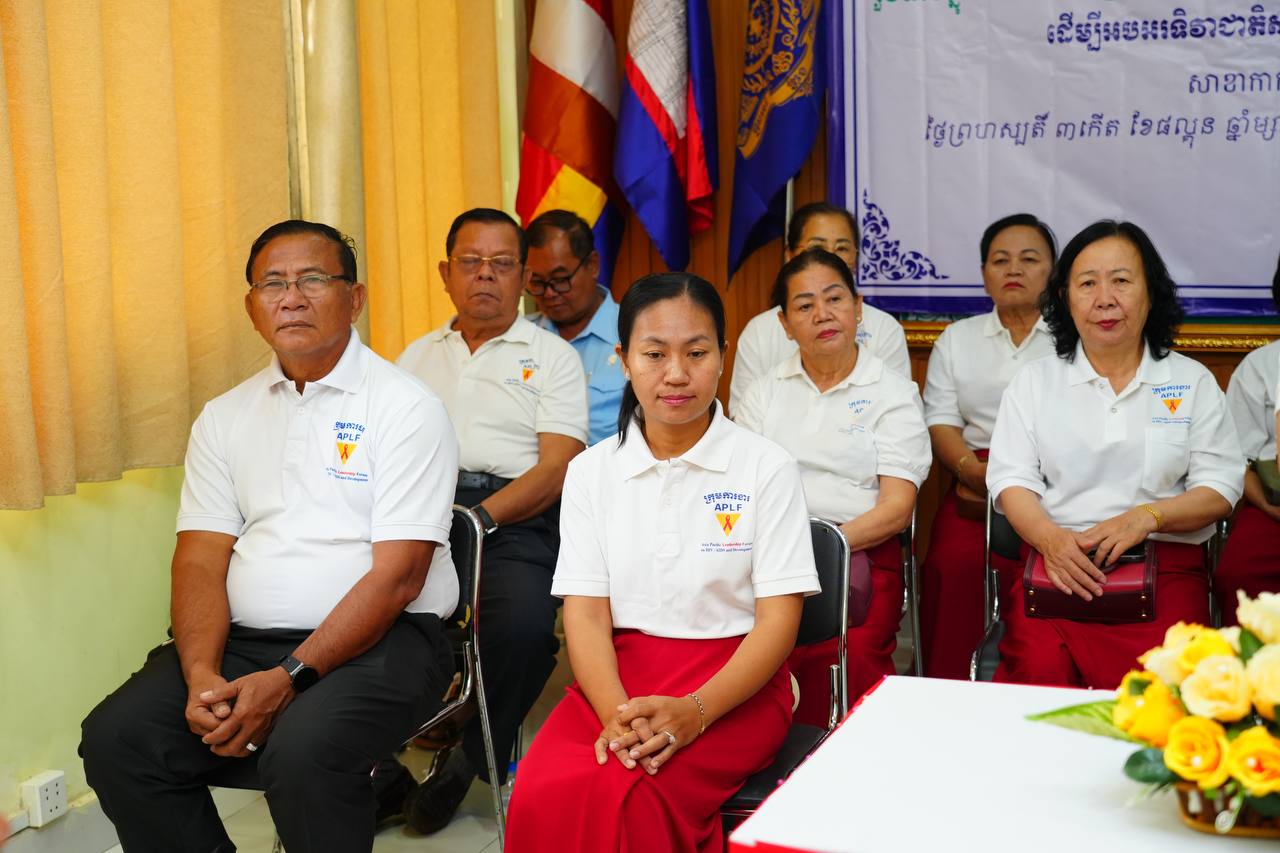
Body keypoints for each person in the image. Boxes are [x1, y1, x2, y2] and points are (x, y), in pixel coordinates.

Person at [79, 220, 459, 853]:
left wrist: (289, 677)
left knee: (305, 754)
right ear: (251, 307)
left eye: (313, 279)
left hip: (387, 643)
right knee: (119, 739)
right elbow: (199, 561)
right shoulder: (225, 416)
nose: (292, 298)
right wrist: (202, 673)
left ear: (355, 298)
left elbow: (399, 577)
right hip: (245, 643)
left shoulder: (406, 408)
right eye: (273, 284)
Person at [504, 273, 819, 852]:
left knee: (633, 796)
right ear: (623, 359)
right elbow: (585, 613)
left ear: (722, 356)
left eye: (696, 353)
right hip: (616, 678)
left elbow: (779, 621)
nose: (676, 374)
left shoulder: (765, 467)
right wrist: (617, 715)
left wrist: (696, 713)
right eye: (654, 354)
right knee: (541, 789)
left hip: (735, 684)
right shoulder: (592, 471)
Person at [396, 208, 588, 833]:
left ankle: (469, 763)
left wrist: (476, 519)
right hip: (423, 514)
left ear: (523, 276)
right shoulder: (415, 358)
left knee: (526, 630)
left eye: (502, 264)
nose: (486, 275)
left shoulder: (553, 357)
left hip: (515, 518)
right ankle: (378, 772)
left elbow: (557, 467)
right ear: (445, 273)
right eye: (472, 262)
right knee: (359, 613)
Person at [987, 220, 1243, 689]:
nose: (1105, 299)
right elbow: (1011, 481)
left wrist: (1147, 517)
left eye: (1121, 281)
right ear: (1065, 298)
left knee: (1167, 691)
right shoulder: (1034, 383)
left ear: (1151, 293)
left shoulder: (1192, 381)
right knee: (1038, 675)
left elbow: (1221, 488)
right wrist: (1050, 540)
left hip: (1165, 567)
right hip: (1059, 566)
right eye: (1087, 283)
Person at [736, 250, 931, 720]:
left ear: (858, 308)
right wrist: (786, 552)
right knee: (743, 646)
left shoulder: (892, 393)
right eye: (804, 306)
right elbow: (742, 489)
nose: (822, 314)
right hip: (771, 557)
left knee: (852, 655)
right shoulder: (763, 392)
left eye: (834, 298)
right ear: (785, 325)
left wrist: (825, 547)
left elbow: (896, 509)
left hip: (862, 555)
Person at [918, 214, 1059, 679]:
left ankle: (1033, 677)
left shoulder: (1073, 338)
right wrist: (969, 469)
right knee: (951, 564)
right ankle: (949, 685)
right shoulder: (958, 340)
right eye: (1000, 260)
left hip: (1057, 482)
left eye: (1029, 259)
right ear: (984, 273)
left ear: (1053, 272)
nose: (1013, 269)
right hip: (976, 480)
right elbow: (941, 419)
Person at [728, 201, 910, 415]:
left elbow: (898, 409)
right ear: (789, 255)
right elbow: (743, 417)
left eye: (842, 248)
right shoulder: (759, 331)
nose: (831, 257)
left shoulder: (885, 328)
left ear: (856, 256)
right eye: (817, 247)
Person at [525, 209, 625, 445]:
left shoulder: (635, 331)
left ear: (593, 265)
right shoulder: (521, 337)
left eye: (560, 279)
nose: (549, 293)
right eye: (537, 282)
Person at [1217, 250, 1280, 621]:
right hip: (1273, 508)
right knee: (1237, 574)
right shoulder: (1261, 366)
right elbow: (1235, 460)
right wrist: (1268, 506)